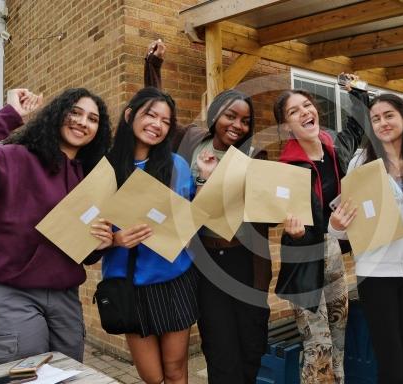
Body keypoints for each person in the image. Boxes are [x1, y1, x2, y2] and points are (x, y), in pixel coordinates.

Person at [145, 40, 272, 384]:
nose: (237, 125)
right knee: (219, 347)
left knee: (251, 345)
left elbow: (267, 212)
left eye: (245, 121)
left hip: (245, 261)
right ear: (216, 114)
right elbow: (157, 115)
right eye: (231, 115)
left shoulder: (254, 157)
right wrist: (153, 67)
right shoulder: (189, 141)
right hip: (205, 262)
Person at [0, 88, 113, 365]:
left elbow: (83, 251)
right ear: (56, 114)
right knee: (26, 377)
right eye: (75, 112)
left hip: (65, 297)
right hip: (13, 293)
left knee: (69, 376)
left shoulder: (90, 179)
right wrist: (9, 116)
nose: (83, 122)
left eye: (93, 119)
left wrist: (99, 244)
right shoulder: (13, 158)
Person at [328, 91, 403, 384]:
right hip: (375, 274)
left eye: (389, 115)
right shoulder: (361, 162)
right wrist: (336, 226)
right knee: (390, 364)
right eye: (375, 118)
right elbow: (348, 224)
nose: (382, 123)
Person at [101, 87, 197, 384]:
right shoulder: (105, 167)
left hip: (175, 277)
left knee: (176, 371)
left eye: (165, 121)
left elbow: (192, 219)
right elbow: (86, 228)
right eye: (151, 115)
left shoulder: (177, 166)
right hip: (129, 284)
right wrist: (115, 239)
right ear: (130, 115)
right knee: (152, 378)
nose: (157, 124)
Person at [272, 80, 364, 383]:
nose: (305, 112)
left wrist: (357, 92)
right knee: (318, 346)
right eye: (293, 111)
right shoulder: (286, 170)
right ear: (287, 127)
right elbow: (281, 223)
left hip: (335, 255)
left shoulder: (336, 148)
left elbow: (358, 124)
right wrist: (297, 234)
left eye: (307, 105)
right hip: (304, 261)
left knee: (339, 338)